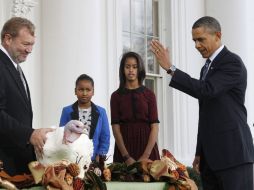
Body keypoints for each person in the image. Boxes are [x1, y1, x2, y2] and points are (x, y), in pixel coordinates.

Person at [151, 16, 254, 190]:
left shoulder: (232, 62)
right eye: (194, 40)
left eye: (201, 39)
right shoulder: (206, 68)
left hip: (233, 156)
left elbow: (207, 90)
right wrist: (200, 151)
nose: (197, 45)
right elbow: (206, 112)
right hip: (210, 160)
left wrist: (171, 69)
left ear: (217, 35)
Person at [0, 17, 54, 176]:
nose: (30, 50)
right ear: (8, 39)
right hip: (5, 164)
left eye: (32, 45)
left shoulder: (14, 66)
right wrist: (29, 134)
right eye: (25, 44)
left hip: (18, 162)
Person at [110, 51, 160, 166]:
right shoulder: (116, 96)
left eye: (134, 67)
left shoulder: (149, 94)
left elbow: (155, 127)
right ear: (123, 69)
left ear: (139, 69)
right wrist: (126, 157)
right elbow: (115, 128)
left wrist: (145, 156)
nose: (131, 70)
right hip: (124, 148)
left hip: (147, 147)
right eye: (127, 67)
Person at [59, 74, 110, 162]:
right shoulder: (67, 111)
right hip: (73, 161)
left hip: (95, 161)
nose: (84, 93)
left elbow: (105, 137)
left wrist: (100, 156)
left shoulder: (101, 112)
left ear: (93, 91)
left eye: (88, 90)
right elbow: (62, 135)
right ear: (75, 91)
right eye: (81, 89)